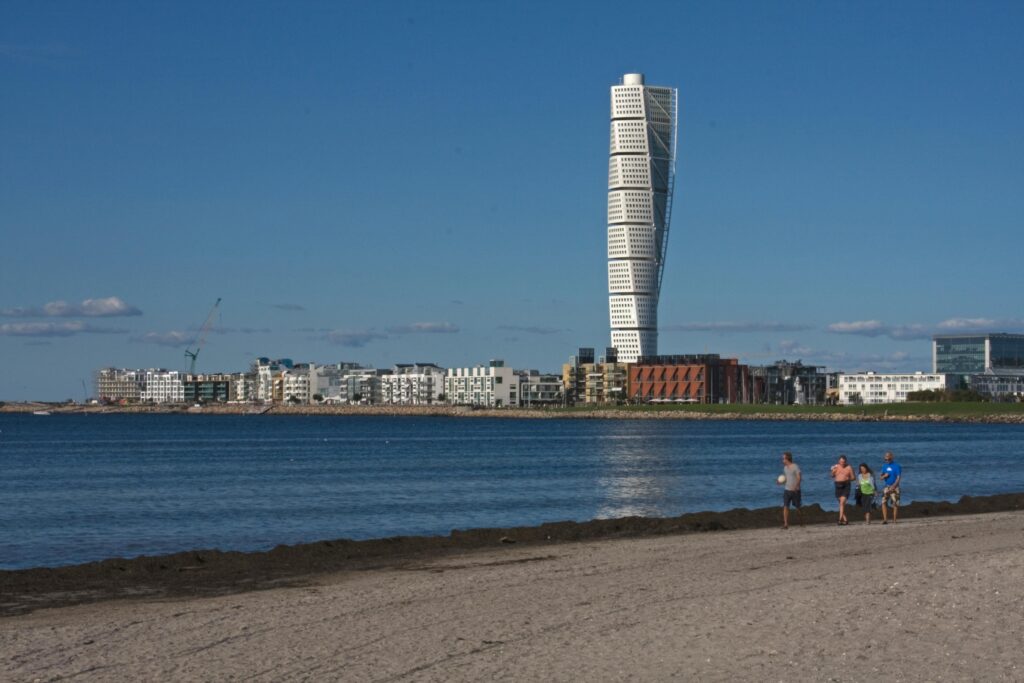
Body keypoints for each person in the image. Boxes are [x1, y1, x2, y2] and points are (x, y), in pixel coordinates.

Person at [778, 451, 802, 529]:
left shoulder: (795, 466)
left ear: (787, 459)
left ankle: (801, 521)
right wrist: (780, 482)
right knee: (785, 506)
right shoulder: (785, 468)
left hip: (795, 490)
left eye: (783, 459)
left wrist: (796, 487)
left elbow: (799, 478)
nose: (782, 460)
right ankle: (786, 524)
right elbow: (786, 479)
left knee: (797, 507)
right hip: (787, 490)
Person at [830, 454, 855, 525]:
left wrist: (848, 479)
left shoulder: (849, 467)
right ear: (839, 461)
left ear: (846, 461)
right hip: (837, 486)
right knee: (841, 504)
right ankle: (845, 520)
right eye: (841, 462)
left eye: (843, 462)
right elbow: (832, 475)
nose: (842, 463)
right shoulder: (836, 466)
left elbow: (853, 478)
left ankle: (840, 519)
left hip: (846, 485)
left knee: (841, 503)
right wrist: (833, 471)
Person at [880, 451, 902, 524]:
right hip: (886, 486)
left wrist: (894, 486)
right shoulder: (884, 466)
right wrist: (884, 476)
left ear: (892, 457)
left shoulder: (897, 466)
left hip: (895, 487)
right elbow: (880, 477)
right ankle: (885, 520)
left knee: (895, 503)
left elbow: (898, 478)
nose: (887, 460)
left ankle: (894, 520)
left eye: (888, 459)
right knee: (883, 502)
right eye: (885, 459)